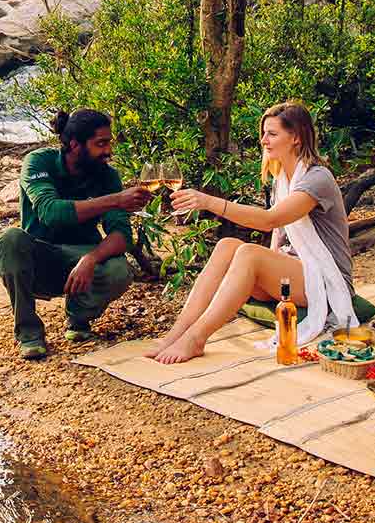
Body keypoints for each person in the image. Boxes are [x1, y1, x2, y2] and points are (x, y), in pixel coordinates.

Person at [146, 101, 357, 365]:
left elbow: (270, 220)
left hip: (326, 280)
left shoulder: (317, 178)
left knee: (248, 253)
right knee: (227, 245)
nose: (263, 140)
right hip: (294, 276)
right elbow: (278, 234)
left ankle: (196, 338)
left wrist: (209, 202)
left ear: (296, 137)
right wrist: (269, 267)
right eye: (264, 133)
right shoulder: (283, 178)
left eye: (272, 134)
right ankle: (175, 334)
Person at [0, 108, 149, 360]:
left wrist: (91, 259)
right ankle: (29, 333)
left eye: (109, 143)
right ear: (75, 145)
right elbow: (51, 212)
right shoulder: (38, 162)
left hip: (83, 260)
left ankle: (78, 318)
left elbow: (121, 234)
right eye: (101, 144)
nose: (109, 151)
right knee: (10, 240)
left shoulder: (107, 176)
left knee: (119, 270)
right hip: (39, 260)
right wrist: (116, 200)